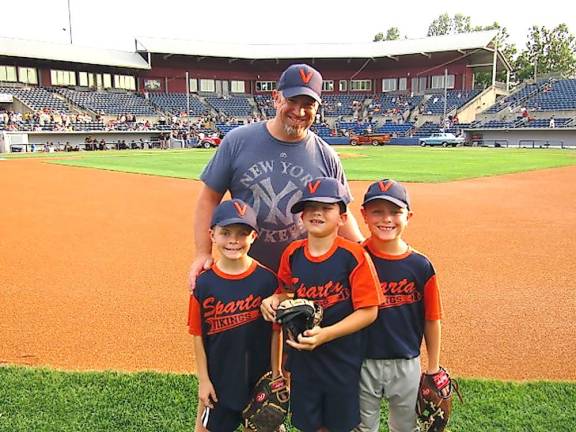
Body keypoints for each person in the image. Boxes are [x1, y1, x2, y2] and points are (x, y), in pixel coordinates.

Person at [189, 63, 364, 289]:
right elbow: (209, 198)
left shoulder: (326, 155)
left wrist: (363, 250)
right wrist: (203, 253)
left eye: (308, 105)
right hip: (246, 269)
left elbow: (342, 213)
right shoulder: (237, 141)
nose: (299, 112)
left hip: (303, 274)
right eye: (292, 101)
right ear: (276, 98)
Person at [261, 177, 382, 432]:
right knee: (309, 424)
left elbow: (369, 311)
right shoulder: (292, 253)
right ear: (301, 216)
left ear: (342, 217)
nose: (317, 212)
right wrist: (274, 299)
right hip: (303, 361)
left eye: (326, 207)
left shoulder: (354, 255)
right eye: (310, 206)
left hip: (342, 360)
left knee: (339, 425)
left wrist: (326, 334)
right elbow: (287, 293)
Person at [355, 179, 443, 432]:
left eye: (395, 212)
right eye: (377, 211)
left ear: (408, 216)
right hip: (362, 360)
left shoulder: (420, 265)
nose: (386, 219)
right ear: (364, 215)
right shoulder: (355, 258)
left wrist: (433, 367)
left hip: (406, 361)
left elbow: (432, 317)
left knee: (405, 427)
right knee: (363, 427)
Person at [188, 199, 281, 432]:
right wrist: (204, 380)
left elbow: (276, 333)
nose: (233, 240)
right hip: (219, 380)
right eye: (226, 232)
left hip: (258, 380)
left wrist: (277, 375)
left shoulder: (267, 281)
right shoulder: (204, 284)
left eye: (242, 233)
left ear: (253, 237)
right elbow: (197, 335)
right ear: (212, 235)